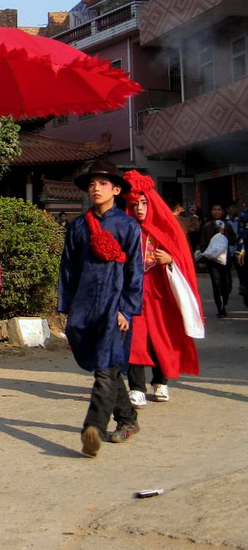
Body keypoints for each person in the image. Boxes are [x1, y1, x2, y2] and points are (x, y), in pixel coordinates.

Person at [58, 159, 143, 458]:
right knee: (105, 364)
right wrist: (67, 307)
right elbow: (68, 269)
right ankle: (129, 419)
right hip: (84, 304)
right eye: (92, 184)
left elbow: (135, 270)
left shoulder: (128, 226)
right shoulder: (78, 226)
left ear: (116, 190)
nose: (96, 188)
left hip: (114, 305)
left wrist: (127, 309)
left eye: (103, 183)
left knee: (105, 370)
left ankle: (92, 428)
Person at [123, 171, 204, 408]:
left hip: (161, 293)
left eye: (143, 203)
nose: (139, 208)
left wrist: (170, 260)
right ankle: (136, 387)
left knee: (161, 337)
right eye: (134, 204)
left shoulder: (167, 229)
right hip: (134, 293)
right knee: (135, 340)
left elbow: (183, 261)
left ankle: (161, 382)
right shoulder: (126, 230)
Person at [200, 203, 236, 317]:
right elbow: (202, 243)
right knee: (217, 283)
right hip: (212, 261)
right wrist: (207, 254)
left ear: (223, 212)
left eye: (219, 210)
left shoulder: (227, 226)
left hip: (225, 259)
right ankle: (220, 308)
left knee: (227, 283)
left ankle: (224, 299)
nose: (217, 212)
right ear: (211, 212)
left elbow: (233, 240)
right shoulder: (206, 226)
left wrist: (223, 234)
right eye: (214, 210)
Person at [225, 200, 245, 294]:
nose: (234, 210)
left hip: (238, 248)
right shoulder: (224, 221)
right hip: (227, 249)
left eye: (235, 208)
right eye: (232, 208)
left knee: (240, 268)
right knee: (227, 270)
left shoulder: (240, 220)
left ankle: (242, 285)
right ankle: (228, 287)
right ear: (227, 209)